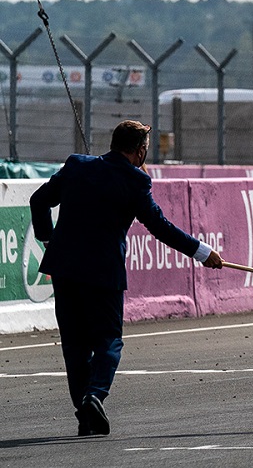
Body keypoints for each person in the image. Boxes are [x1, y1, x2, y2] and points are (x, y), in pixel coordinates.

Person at [29, 120, 224, 437]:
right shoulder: (135, 181)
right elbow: (160, 227)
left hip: (64, 269)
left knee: (75, 346)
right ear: (140, 150)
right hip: (103, 274)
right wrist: (202, 252)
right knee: (108, 340)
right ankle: (95, 395)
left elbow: (39, 201)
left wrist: (50, 241)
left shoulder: (77, 165)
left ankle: (84, 414)